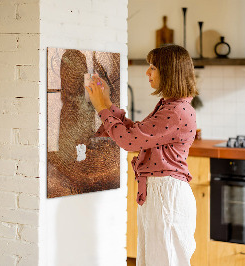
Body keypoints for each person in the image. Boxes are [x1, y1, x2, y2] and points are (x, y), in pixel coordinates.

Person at [85, 44, 198, 266]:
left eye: (153, 67)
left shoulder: (175, 111)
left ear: (169, 72)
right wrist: (107, 103)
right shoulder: (171, 106)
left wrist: (101, 107)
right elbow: (137, 133)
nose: (147, 72)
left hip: (166, 195)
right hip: (160, 193)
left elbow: (129, 141)